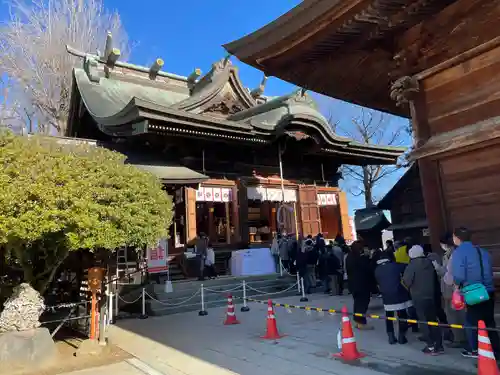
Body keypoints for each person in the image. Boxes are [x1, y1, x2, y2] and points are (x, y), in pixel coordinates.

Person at [451, 227, 499, 359]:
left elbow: (459, 276)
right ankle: (496, 351)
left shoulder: (459, 253)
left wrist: (456, 285)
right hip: (488, 291)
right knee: (489, 323)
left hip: (473, 293)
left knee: (472, 323)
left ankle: (475, 350)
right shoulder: (482, 251)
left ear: (457, 238)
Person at [403, 244, 443, 355]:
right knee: (433, 320)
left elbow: (407, 282)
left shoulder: (411, 266)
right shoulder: (430, 262)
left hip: (419, 297)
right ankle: (439, 345)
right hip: (432, 296)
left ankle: (430, 346)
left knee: (424, 321)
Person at [432, 233, 466, 348]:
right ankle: (460, 337)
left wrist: (437, 268)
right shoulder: (456, 253)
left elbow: (448, 274)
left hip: (452, 290)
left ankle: (459, 339)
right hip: (455, 289)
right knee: (457, 314)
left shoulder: (451, 255)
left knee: (454, 315)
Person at [374, 252, 412, 344]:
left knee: (389, 316)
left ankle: (391, 337)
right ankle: (401, 337)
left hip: (386, 296)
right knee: (402, 315)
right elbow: (408, 266)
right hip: (399, 294)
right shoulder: (395, 266)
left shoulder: (377, 269)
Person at [345, 241, 373, 330]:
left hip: (353, 284)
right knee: (363, 304)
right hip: (363, 285)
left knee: (357, 303)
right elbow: (368, 270)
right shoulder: (362, 259)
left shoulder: (349, 257)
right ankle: (361, 323)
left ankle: (357, 322)